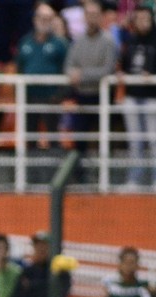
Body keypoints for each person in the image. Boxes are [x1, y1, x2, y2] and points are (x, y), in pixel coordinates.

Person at [64, 0, 117, 172]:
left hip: (101, 96)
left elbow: (107, 70)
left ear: (101, 17)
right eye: (89, 15)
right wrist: (75, 74)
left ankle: (105, 176)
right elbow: (69, 66)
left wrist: (82, 75)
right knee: (79, 139)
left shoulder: (108, 41)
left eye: (95, 15)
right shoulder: (78, 41)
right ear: (84, 17)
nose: (92, 19)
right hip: (81, 96)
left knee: (104, 139)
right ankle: (80, 177)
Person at [16, 2, 67, 179]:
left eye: (48, 18)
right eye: (41, 18)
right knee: (29, 137)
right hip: (29, 97)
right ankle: (30, 176)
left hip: (51, 98)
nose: (44, 21)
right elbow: (19, 68)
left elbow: (66, 71)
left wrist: (59, 95)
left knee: (53, 138)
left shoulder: (60, 44)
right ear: (35, 19)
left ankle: (55, 176)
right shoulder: (25, 42)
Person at [118, 6, 156, 187]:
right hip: (132, 96)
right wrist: (121, 74)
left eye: (146, 19)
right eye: (139, 19)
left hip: (152, 98)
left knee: (154, 140)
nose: (143, 22)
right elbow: (124, 65)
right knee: (135, 141)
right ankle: (135, 179)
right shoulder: (131, 41)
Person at [10, 230, 71, 297]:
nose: (40, 249)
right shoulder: (27, 271)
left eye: (44, 246)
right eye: (37, 246)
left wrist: (31, 287)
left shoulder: (61, 272)